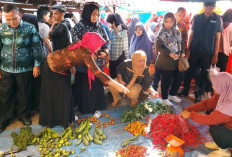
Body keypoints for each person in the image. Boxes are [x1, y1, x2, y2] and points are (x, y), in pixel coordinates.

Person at [0, 4, 42, 133]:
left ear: (20, 15)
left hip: (25, 68)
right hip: (6, 68)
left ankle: (23, 115)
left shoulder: (30, 28)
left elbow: (37, 47)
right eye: (8, 19)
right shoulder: (1, 29)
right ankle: (4, 119)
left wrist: (37, 64)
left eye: (14, 19)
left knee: (24, 93)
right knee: (5, 94)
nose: (12, 22)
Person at [180, 69, 232, 157]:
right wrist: (189, 109)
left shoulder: (230, 103)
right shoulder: (225, 93)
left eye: (215, 85)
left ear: (223, 85)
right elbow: (206, 104)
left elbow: (210, 119)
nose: (212, 87)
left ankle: (224, 150)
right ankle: (221, 144)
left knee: (214, 128)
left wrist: (190, 115)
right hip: (228, 127)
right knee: (210, 113)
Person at [179, 1, 223, 102]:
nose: (209, 8)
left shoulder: (217, 19)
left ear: (214, 7)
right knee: (189, 71)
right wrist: (188, 48)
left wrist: (215, 54)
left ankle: (198, 94)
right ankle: (185, 90)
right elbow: (192, 34)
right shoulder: (197, 17)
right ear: (204, 7)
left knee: (203, 74)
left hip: (207, 52)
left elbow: (218, 38)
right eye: (207, 6)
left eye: (211, 7)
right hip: (194, 50)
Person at [72, 2, 110, 114]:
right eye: (93, 14)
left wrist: (106, 52)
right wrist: (88, 54)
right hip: (84, 65)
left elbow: (106, 42)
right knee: (85, 87)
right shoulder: (79, 27)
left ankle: (97, 107)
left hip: (97, 63)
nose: (96, 17)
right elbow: (75, 45)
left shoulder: (100, 26)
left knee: (96, 86)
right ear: (87, 13)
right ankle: (86, 109)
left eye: (97, 14)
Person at [39, 4, 73, 128]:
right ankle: (63, 119)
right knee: (61, 89)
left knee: (61, 90)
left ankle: (62, 119)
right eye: (52, 14)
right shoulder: (65, 25)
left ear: (62, 14)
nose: (53, 16)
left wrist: (52, 26)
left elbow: (48, 36)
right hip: (62, 59)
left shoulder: (62, 26)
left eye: (56, 14)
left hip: (60, 61)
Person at [155, 12, 184, 106]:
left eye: (170, 21)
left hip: (178, 60)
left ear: (173, 21)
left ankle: (172, 94)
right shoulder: (161, 33)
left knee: (179, 78)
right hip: (166, 60)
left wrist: (182, 52)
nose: (168, 24)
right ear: (163, 22)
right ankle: (164, 98)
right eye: (166, 21)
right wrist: (169, 53)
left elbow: (181, 43)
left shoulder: (177, 31)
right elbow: (158, 48)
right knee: (166, 80)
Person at [106, 13, 129, 78]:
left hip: (120, 55)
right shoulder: (113, 28)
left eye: (111, 22)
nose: (110, 24)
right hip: (113, 55)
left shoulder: (123, 27)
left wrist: (116, 29)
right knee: (113, 73)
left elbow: (121, 37)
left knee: (120, 74)